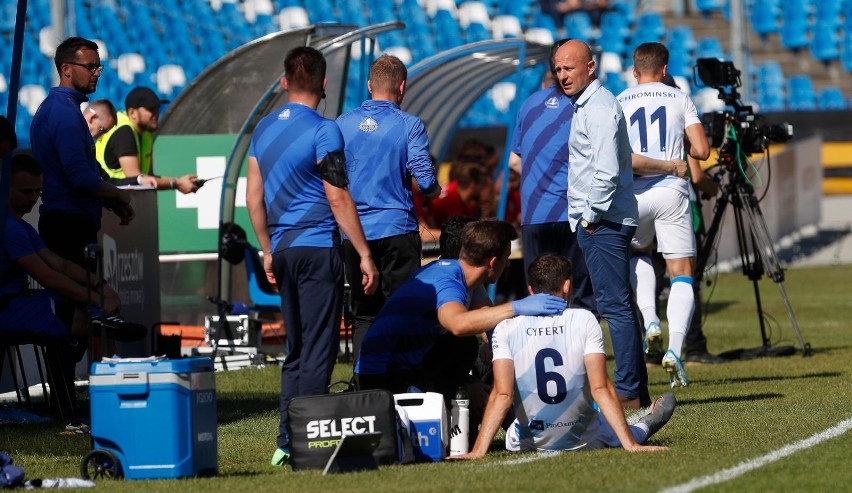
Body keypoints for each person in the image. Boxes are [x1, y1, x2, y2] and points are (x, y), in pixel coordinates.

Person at [245, 46, 379, 467]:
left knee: (296, 348)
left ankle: (286, 439)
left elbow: (252, 197)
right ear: (324, 84)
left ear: (284, 82)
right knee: (320, 347)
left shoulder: (262, 130)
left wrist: (267, 249)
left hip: (282, 249)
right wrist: (363, 254)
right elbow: (337, 196)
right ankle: (309, 440)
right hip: (317, 246)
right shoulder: (325, 130)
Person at [450, 254, 675, 459]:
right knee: (618, 427)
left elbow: (502, 393)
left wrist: (478, 451)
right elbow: (600, 388)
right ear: (567, 286)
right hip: (584, 437)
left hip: (526, 441)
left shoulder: (505, 328)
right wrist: (631, 445)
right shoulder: (584, 319)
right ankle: (645, 426)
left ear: (530, 290)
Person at [30, 36, 135, 416]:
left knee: (80, 313)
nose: (96, 73)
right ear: (66, 69)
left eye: (99, 67)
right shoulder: (61, 111)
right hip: (67, 225)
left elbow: (84, 174)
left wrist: (108, 198)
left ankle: (65, 398)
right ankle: (63, 399)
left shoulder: (65, 109)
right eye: (90, 67)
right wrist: (117, 195)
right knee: (80, 312)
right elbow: (78, 176)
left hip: (70, 221)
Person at [355, 219, 567, 394]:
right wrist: (517, 306)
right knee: (464, 346)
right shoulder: (447, 281)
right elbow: (458, 324)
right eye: (506, 258)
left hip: (412, 364)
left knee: (484, 353)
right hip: (382, 378)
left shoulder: (467, 278)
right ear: (493, 262)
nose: (508, 264)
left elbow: (488, 318)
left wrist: (498, 344)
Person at [554, 39, 649, 408]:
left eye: (570, 68)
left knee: (615, 308)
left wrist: (589, 217)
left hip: (604, 221)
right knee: (619, 305)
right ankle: (635, 389)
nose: (563, 75)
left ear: (590, 68)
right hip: (603, 219)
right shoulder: (589, 105)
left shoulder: (598, 107)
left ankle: (626, 392)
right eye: (559, 69)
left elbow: (606, 172)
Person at [616, 42, 711, 387]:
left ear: (634, 70)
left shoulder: (619, 101)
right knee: (681, 272)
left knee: (637, 252)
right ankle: (675, 350)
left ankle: (651, 321)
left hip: (634, 193)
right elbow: (701, 150)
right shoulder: (679, 97)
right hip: (671, 189)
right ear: (665, 68)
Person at [335, 54, 441, 360]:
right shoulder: (409, 124)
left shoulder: (342, 124)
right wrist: (434, 191)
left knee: (364, 312)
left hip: (354, 232)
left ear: (369, 85)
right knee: (402, 308)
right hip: (397, 229)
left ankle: (365, 381)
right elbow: (423, 174)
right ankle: (401, 381)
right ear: (402, 86)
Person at [1, 154, 146, 346]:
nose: (33, 198)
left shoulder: (21, 226)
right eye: (26, 192)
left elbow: (59, 264)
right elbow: (46, 277)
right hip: (6, 307)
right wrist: (97, 299)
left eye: (38, 192)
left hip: (15, 302)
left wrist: (99, 285)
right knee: (65, 308)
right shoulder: (9, 227)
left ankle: (96, 324)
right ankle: (95, 324)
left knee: (69, 302)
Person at [509, 38, 597, 317]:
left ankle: (540, 354)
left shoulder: (528, 105)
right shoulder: (584, 105)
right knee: (580, 294)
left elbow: (514, 161)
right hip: (572, 213)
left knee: (538, 292)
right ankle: (583, 357)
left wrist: (541, 176)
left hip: (535, 215)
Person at [96, 86, 199, 192]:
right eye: (150, 109)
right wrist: (176, 183)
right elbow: (137, 181)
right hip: (108, 202)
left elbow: (148, 177)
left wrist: (178, 181)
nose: (156, 113)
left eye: (157, 108)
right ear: (132, 113)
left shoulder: (145, 134)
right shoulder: (124, 132)